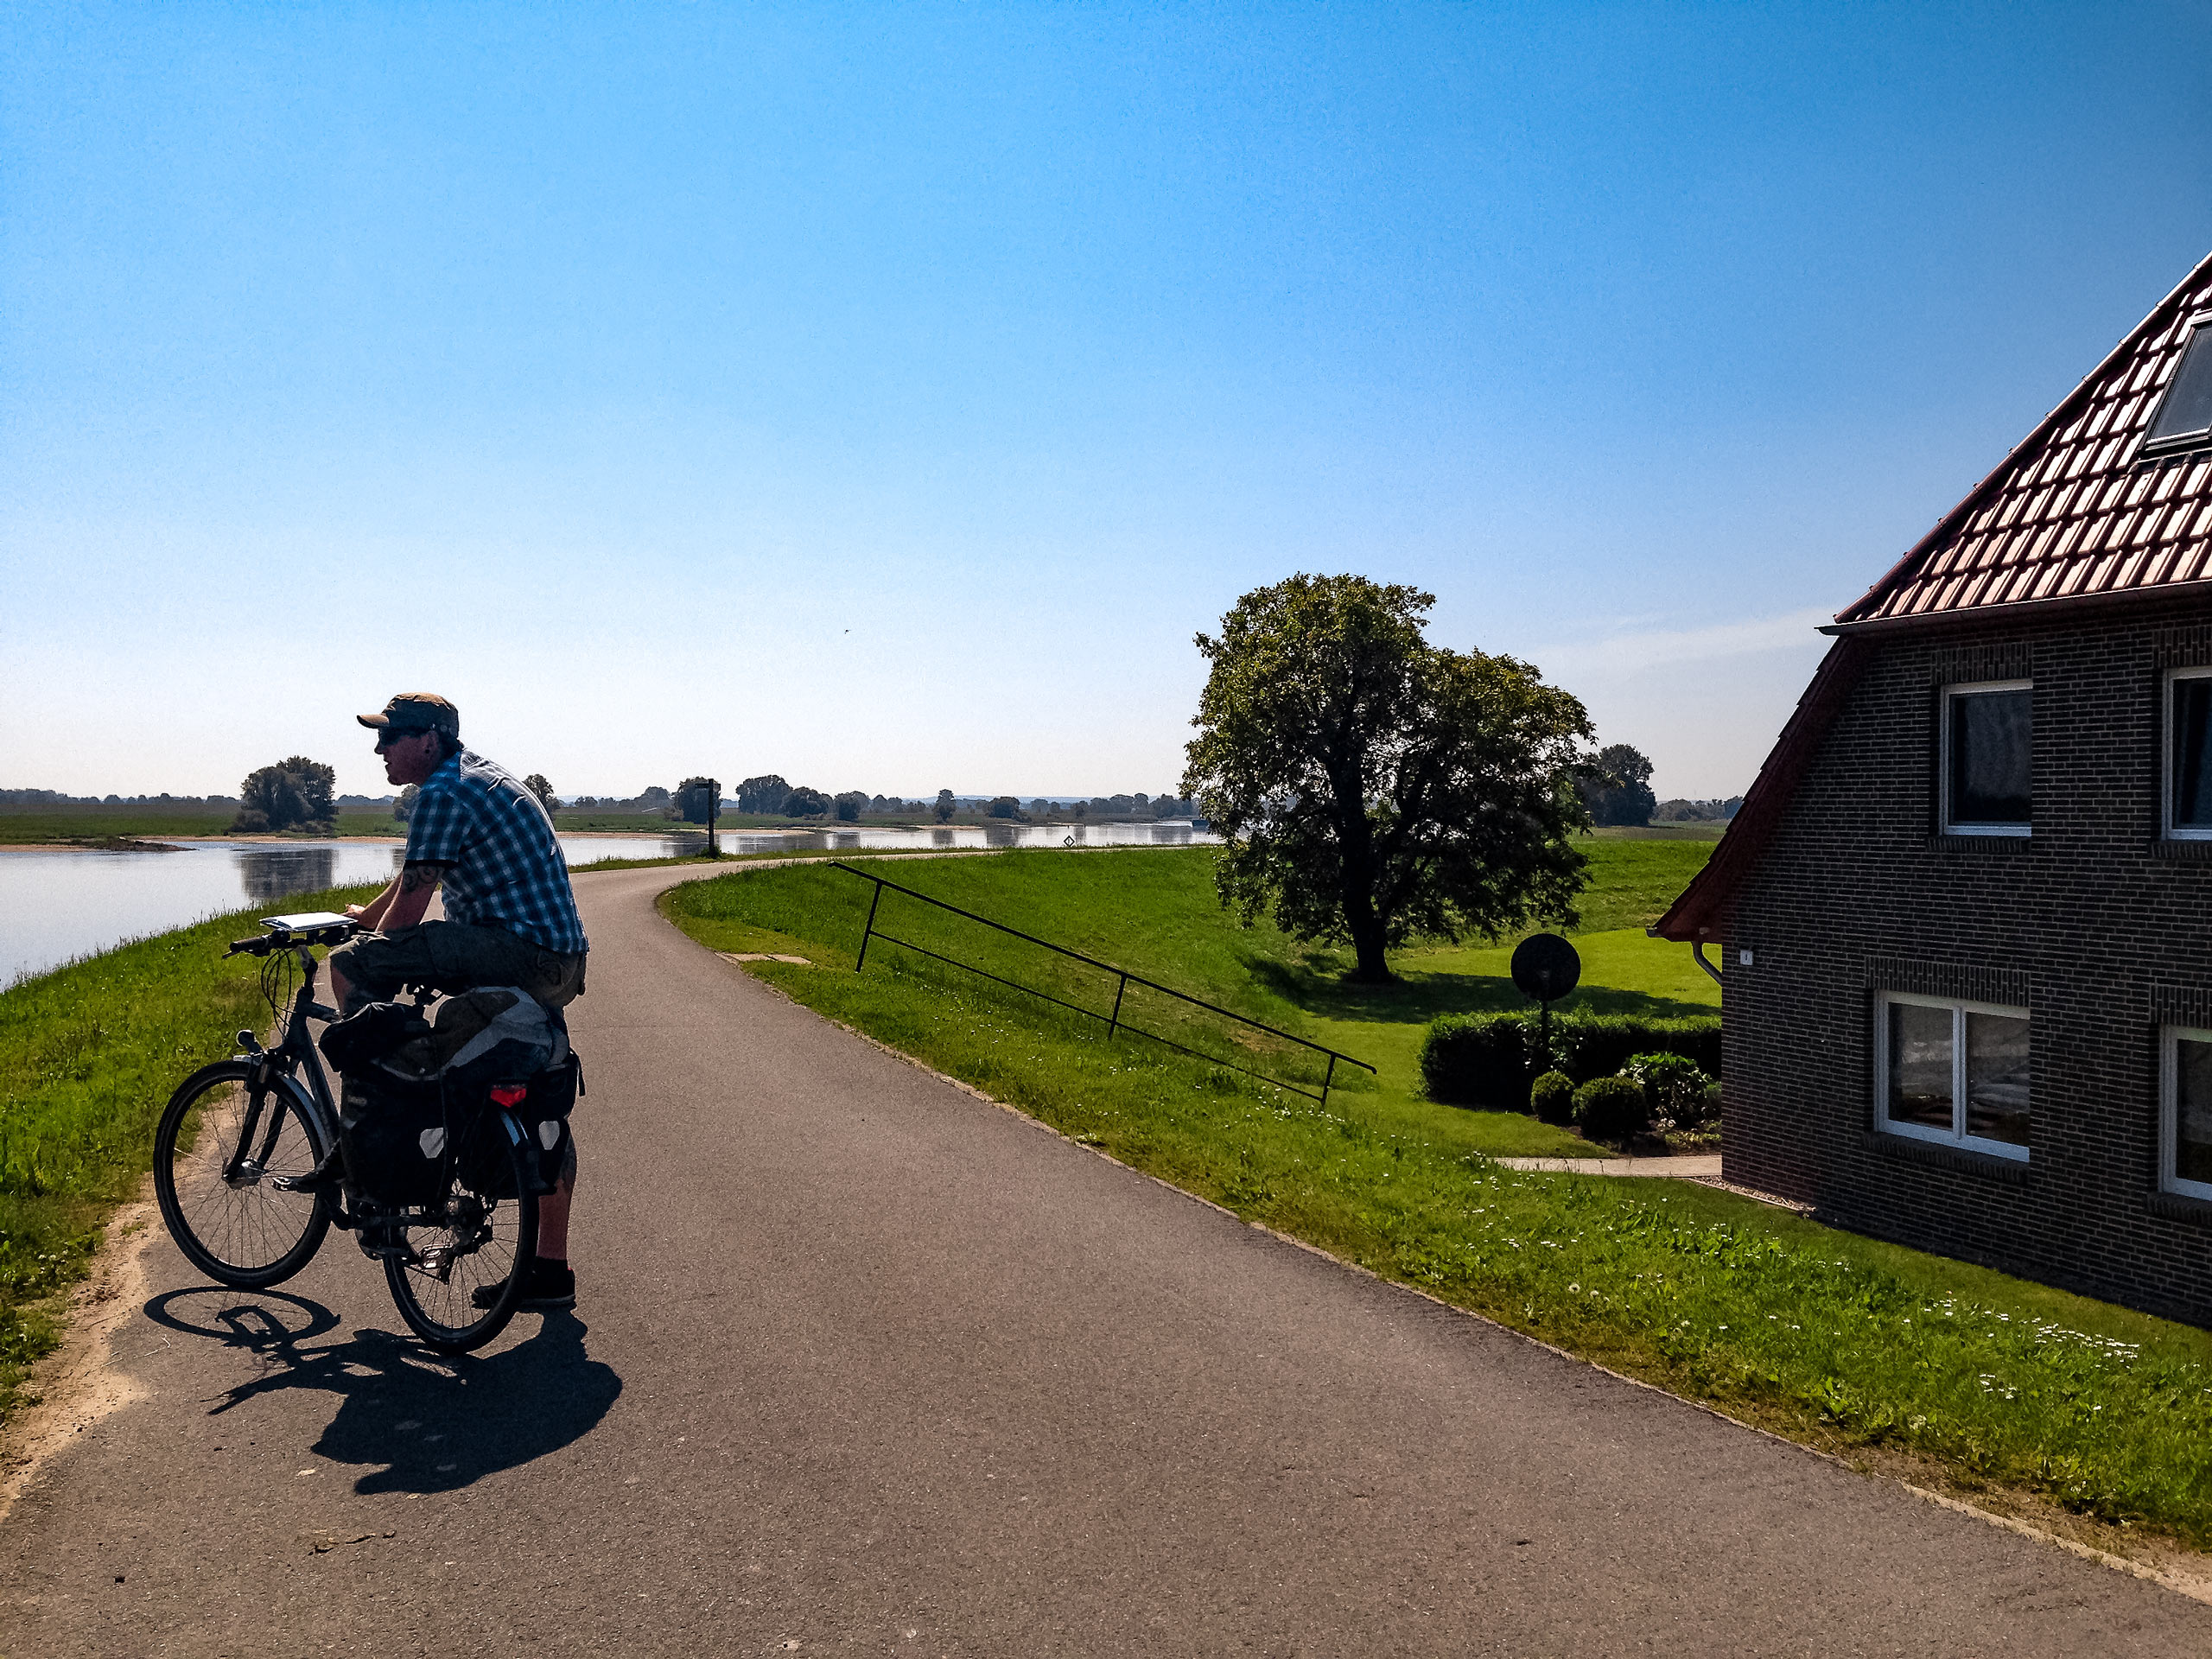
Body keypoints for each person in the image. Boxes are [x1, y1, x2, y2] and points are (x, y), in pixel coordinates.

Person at [321, 692, 589, 1311]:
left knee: (349, 966)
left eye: (390, 737)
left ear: (428, 742)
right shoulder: (480, 778)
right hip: (559, 964)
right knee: (543, 1100)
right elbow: (412, 878)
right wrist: (372, 916)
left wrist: (370, 948)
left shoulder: (442, 791)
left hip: (518, 954)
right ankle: (550, 1270)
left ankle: (372, 1117)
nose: (379, 749)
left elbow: (414, 907)